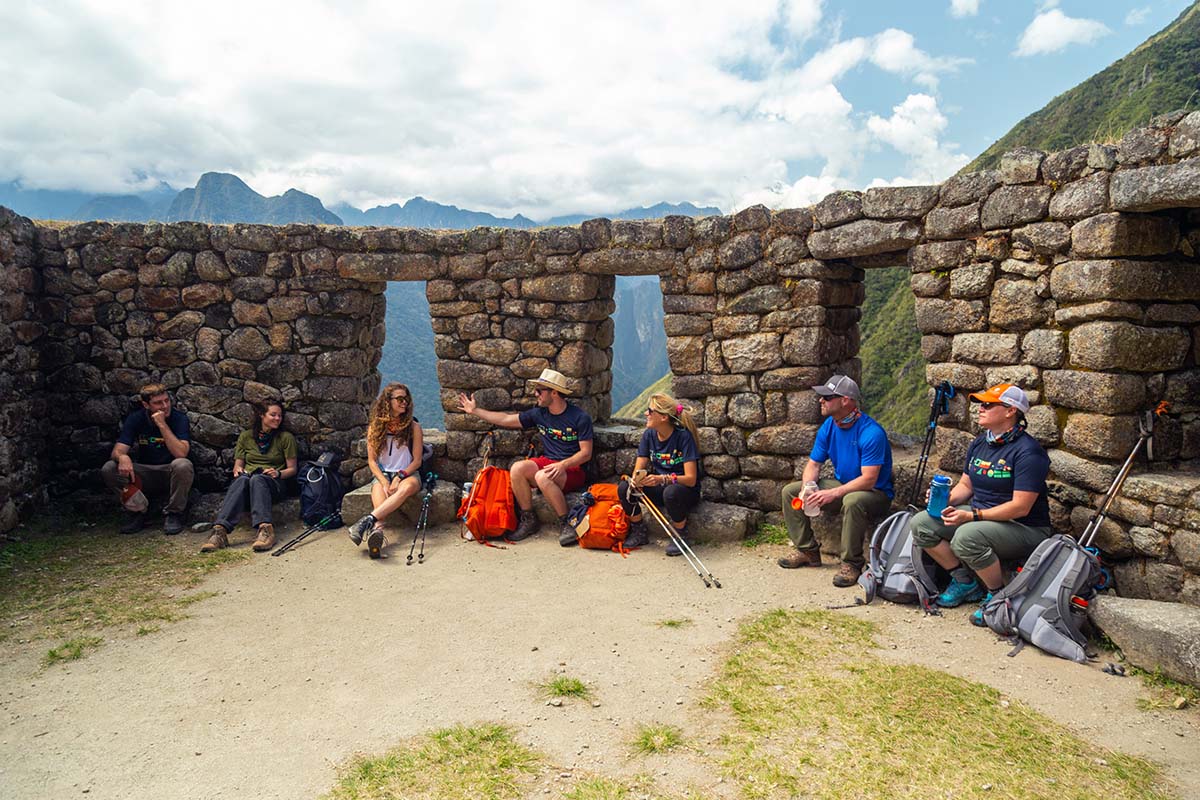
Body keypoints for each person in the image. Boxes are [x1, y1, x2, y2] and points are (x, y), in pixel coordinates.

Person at [909, 383, 1052, 625]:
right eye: (980, 404)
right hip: (982, 517)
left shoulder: (1028, 452)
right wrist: (944, 500)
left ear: (1010, 411)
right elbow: (966, 486)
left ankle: (996, 596)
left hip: (1023, 527)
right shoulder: (980, 443)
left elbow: (1021, 507)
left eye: (988, 404)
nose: (980, 409)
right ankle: (965, 582)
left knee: (966, 536)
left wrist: (972, 516)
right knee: (922, 523)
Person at [778, 375, 894, 588]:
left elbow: (869, 480)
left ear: (846, 400)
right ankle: (807, 550)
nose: (821, 400)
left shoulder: (871, 433)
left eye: (827, 397)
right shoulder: (829, 426)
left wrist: (833, 493)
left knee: (853, 501)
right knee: (790, 492)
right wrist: (807, 488)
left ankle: (851, 563)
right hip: (846, 486)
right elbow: (814, 464)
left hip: (875, 493)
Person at [457, 368, 593, 544]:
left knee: (542, 477)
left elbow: (586, 453)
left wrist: (563, 465)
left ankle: (567, 522)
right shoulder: (539, 414)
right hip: (549, 462)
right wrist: (475, 411)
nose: (536, 394)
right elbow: (506, 419)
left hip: (572, 469)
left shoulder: (579, 417)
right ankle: (528, 519)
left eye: (540, 390)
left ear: (554, 393)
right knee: (517, 468)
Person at [201, 400, 298, 553]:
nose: (277, 419)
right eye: (273, 415)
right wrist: (238, 470)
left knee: (258, 479)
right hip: (248, 482)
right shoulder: (246, 437)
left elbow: (292, 469)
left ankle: (265, 530)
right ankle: (220, 532)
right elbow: (238, 465)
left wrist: (278, 473)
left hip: (272, 483)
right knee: (243, 480)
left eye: (279, 416)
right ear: (261, 415)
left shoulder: (285, 438)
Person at [101, 381, 194, 535]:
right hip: (145, 473)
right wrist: (123, 457)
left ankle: (174, 513)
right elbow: (118, 450)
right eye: (158, 403)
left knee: (183, 464)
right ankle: (138, 510)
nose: (164, 406)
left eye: (167, 401)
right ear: (146, 405)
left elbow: (181, 453)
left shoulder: (179, 419)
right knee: (109, 468)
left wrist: (162, 425)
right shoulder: (136, 419)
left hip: (170, 472)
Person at [346, 383, 425, 557]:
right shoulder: (375, 428)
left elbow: (417, 461)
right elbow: (372, 461)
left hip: (407, 473)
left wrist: (398, 477)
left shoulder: (414, 427)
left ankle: (367, 522)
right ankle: (377, 532)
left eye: (407, 399)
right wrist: (383, 481)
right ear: (387, 402)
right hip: (383, 474)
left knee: (406, 488)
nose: (405, 403)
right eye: (400, 399)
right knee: (380, 490)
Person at [617, 393, 701, 555]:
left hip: (683, 491)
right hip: (659, 487)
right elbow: (640, 466)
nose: (646, 414)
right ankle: (639, 531)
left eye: (650, 411)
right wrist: (637, 481)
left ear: (663, 417)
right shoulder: (649, 435)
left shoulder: (683, 437)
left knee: (671, 492)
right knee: (624, 487)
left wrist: (662, 478)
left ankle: (680, 534)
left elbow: (691, 479)